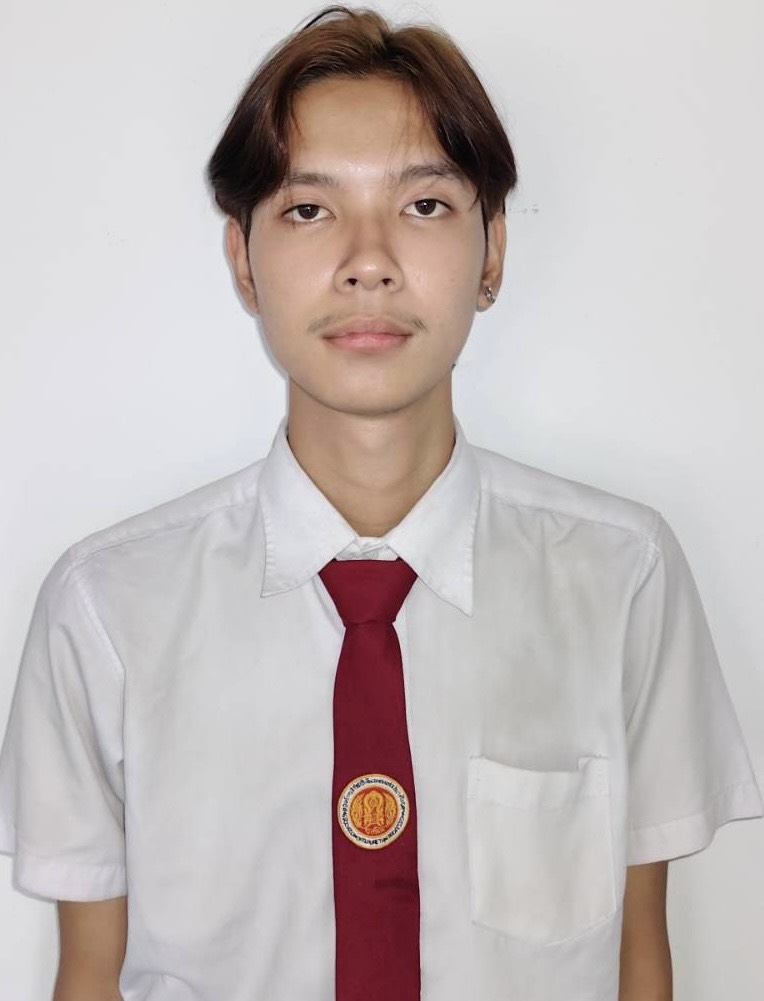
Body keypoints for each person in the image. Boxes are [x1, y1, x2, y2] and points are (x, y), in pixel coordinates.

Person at [0, 5, 762, 1000]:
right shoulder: (106, 611)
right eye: (309, 211)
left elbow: (637, 959)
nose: (368, 260)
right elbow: (89, 975)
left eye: (424, 204)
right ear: (243, 260)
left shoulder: (622, 578)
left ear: (492, 252)